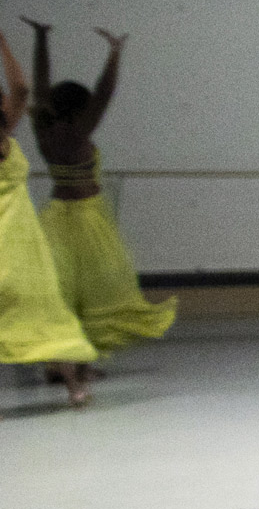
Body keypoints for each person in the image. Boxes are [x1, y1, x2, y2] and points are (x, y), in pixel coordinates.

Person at [22, 22, 177, 381]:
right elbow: (105, 94)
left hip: (56, 218)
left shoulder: (43, 127)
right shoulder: (79, 130)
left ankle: (61, 362)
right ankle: (78, 364)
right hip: (88, 220)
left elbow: (40, 86)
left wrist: (41, 39)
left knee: (64, 294)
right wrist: (114, 54)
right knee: (97, 293)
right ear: (79, 108)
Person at [0, 21, 97, 401]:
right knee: (46, 309)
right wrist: (4, 45)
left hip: (17, 239)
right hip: (18, 241)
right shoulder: (6, 137)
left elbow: (22, 92)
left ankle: (73, 385)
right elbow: (23, 88)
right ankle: (74, 388)